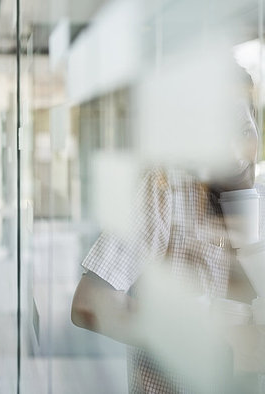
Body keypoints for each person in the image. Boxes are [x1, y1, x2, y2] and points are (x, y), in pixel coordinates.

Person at [71, 69, 262, 393]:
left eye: (244, 130)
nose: (234, 153)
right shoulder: (164, 190)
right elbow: (89, 303)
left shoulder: (256, 198)